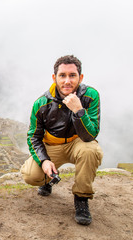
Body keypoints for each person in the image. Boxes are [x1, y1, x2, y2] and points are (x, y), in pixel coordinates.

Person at [20, 55, 103, 225]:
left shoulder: (91, 96)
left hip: (77, 142)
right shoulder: (42, 103)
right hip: (52, 145)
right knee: (30, 175)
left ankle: (81, 198)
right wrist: (43, 160)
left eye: (72, 75)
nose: (67, 81)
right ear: (54, 78)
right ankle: (48, 178)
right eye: (62, 75)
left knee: (91, 150)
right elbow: (33, 136)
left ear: (80, 78)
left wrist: (79, 111)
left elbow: (91, 135)